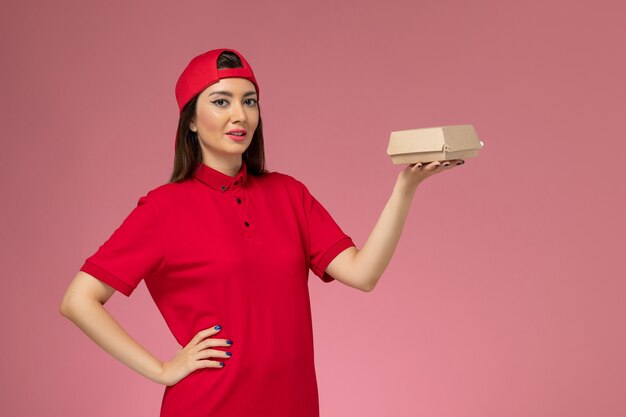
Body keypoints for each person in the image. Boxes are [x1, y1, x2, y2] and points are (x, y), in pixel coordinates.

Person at [59, 47, 464, 417]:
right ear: (191, 122)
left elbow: (363, 274)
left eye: (249, 101)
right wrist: (162, 369)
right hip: (208, 406)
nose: (240, 115)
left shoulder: (288, 194)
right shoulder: (163, 209)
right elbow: (79, 300)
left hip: (294, 405)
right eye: (221, 102)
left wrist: (405, 188)